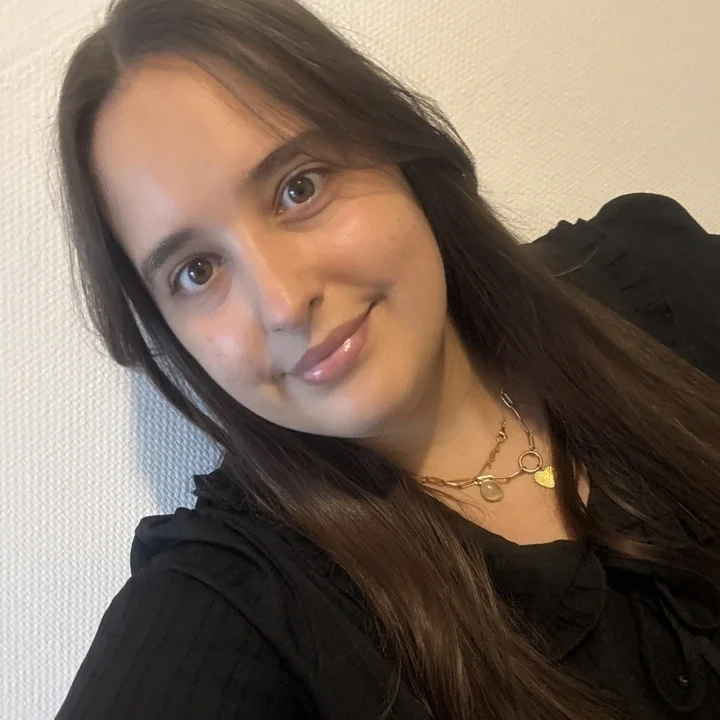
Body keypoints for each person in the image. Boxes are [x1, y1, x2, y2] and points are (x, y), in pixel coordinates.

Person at [53, 0, 720, 718]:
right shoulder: (236, 603)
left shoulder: (650, 275)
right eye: (196, 271)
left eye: (299, 187)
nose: (283, 303)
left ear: (393, 144)